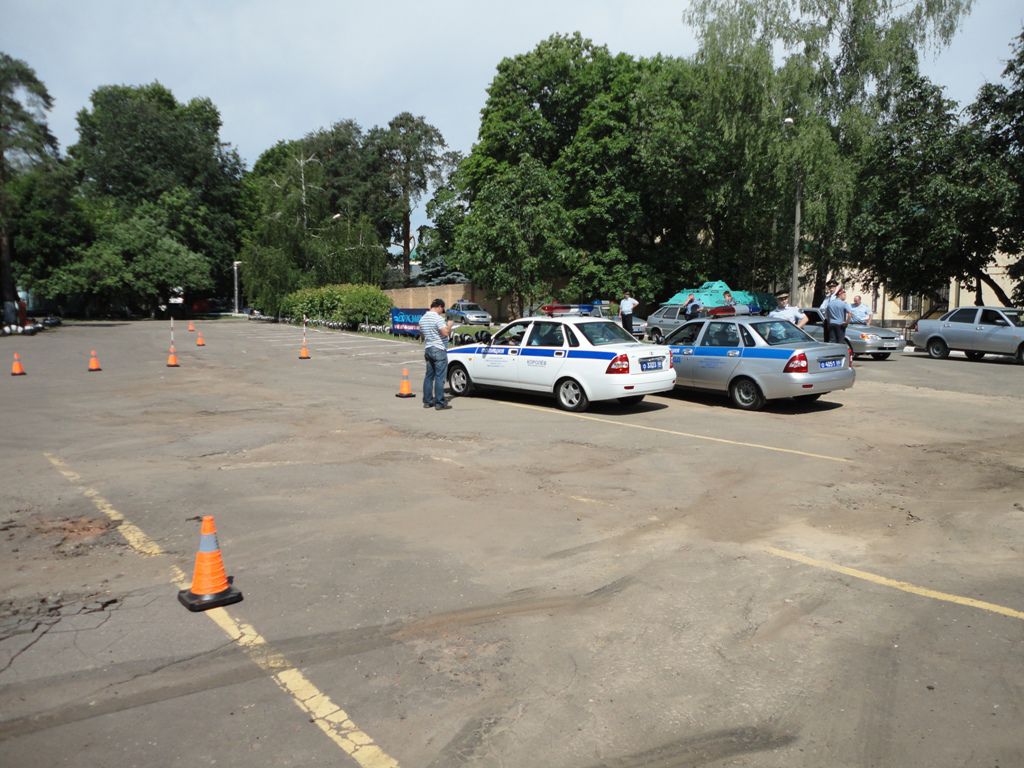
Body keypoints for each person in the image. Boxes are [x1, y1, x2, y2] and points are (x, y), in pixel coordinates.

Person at [418, 298, 454, 410]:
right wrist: (449, 325)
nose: (442, 312)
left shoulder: (423, 318)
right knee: (440, 377)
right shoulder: (438, 318)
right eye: (442, 309)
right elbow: (445, 333)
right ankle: (439, 403)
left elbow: (422, 334)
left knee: (429, 376)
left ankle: (427, 401)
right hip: (439, 349)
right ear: (439, 307)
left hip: (428, 348)